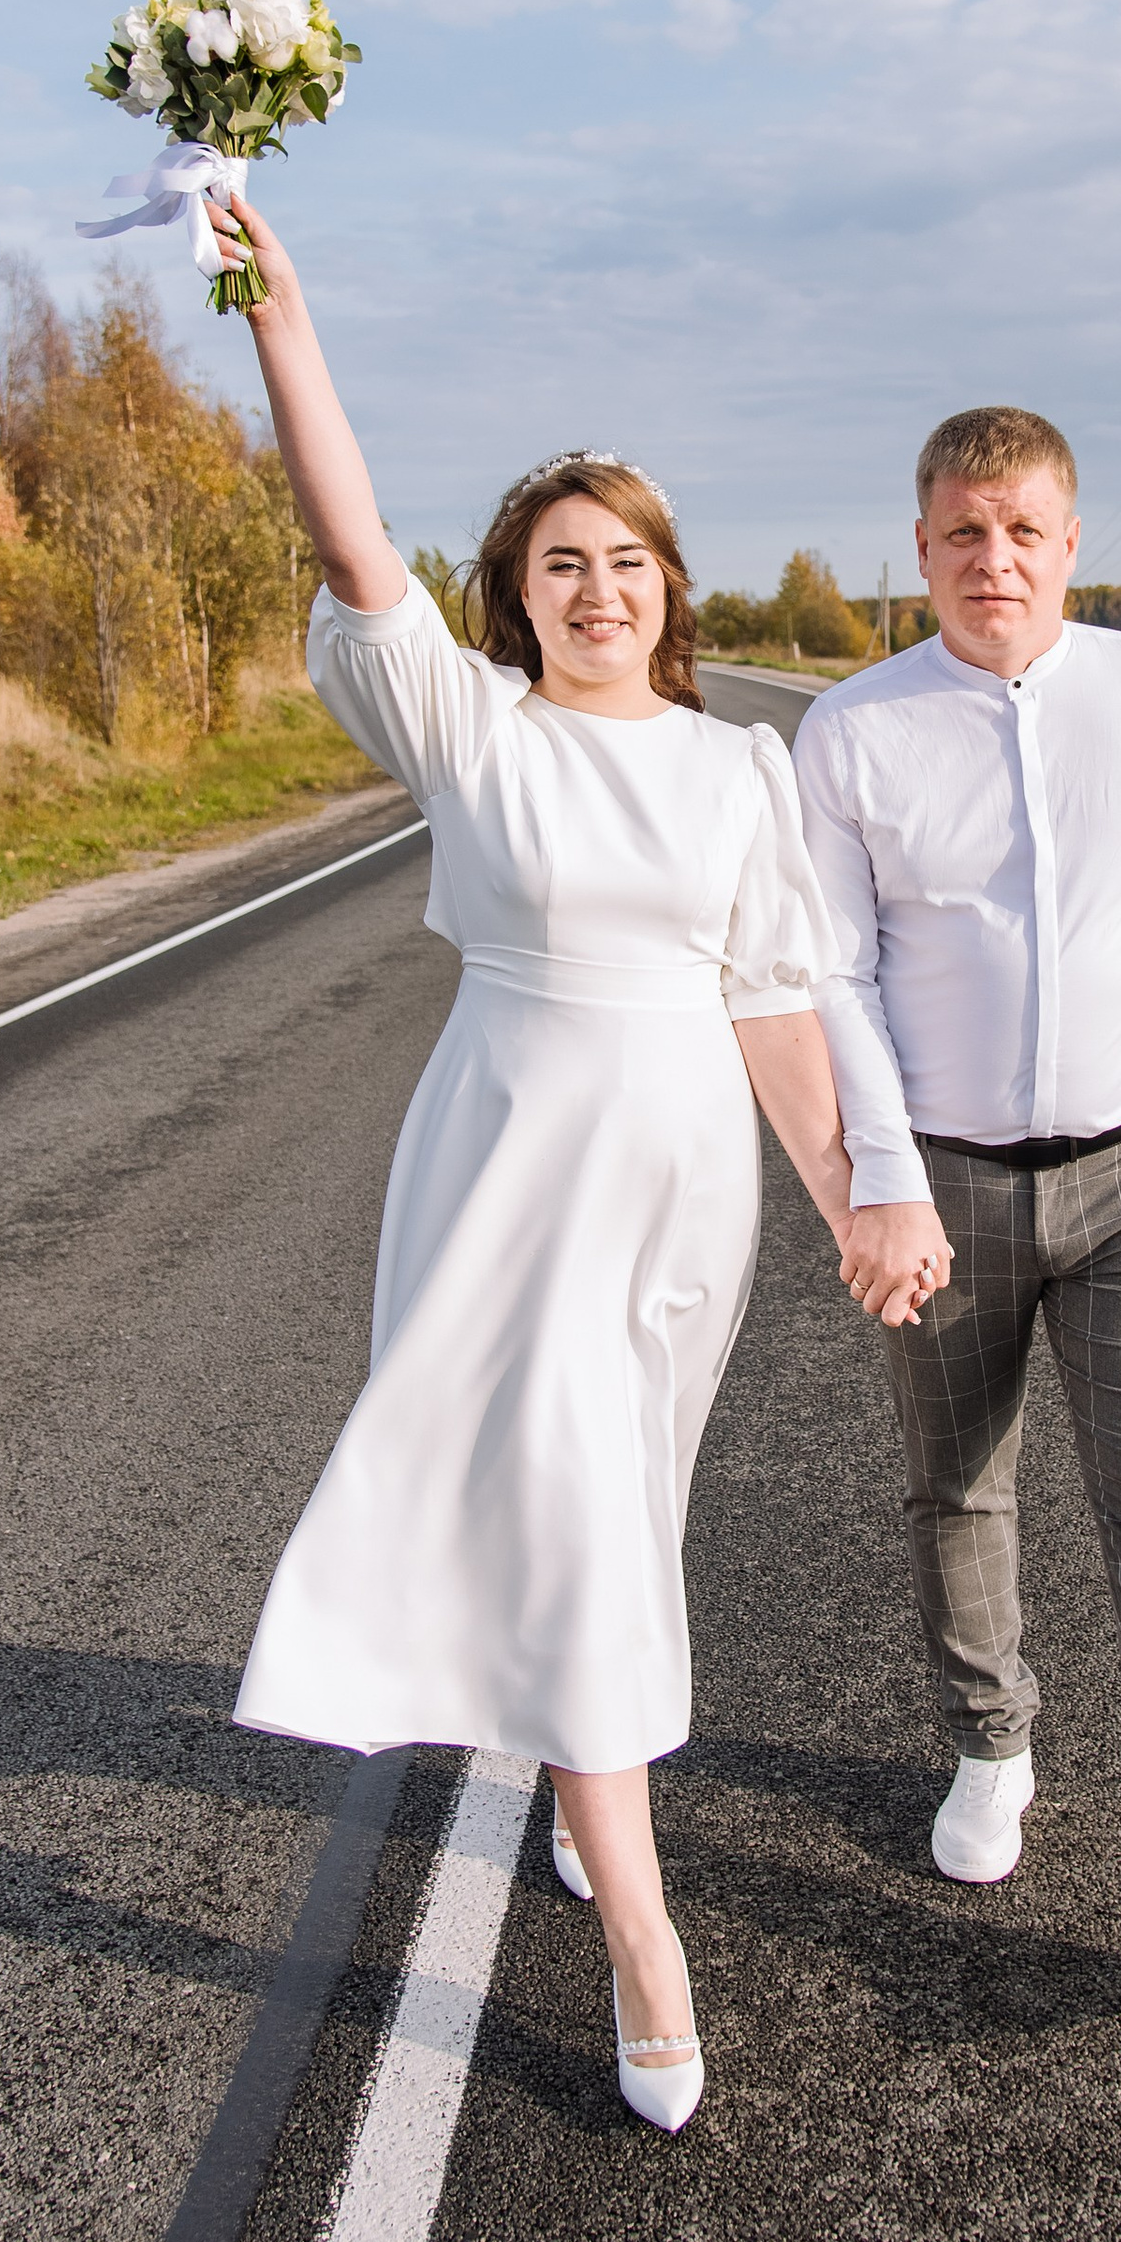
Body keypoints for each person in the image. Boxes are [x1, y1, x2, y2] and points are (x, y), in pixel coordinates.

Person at [210, 189, 924, 2133]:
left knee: (632, 1505)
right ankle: (642, 1942)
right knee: (582, 1524)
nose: (594, 589)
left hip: (675, 1192)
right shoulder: (470, 730)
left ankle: (563, 1762)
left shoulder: (733, 771)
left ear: (664, 588)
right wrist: (282, 316)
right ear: (512, 592)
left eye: (623, 561)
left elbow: (775, 999)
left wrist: (861, 1189)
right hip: (501, 1172)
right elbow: (350, 540)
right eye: (556, 563)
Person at [794, 405, 1121, 2011]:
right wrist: (880, 1177)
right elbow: (831, 972)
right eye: (964, 531)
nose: (994, 558)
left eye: (1023, 529)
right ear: (925, 546)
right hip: (942, 1189)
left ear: (1071, 541)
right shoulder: (856, 732)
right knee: (958, 1486)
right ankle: (989, 1740)